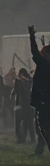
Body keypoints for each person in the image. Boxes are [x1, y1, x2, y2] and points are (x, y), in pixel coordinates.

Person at [28, 26, 50, 154]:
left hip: (43, 102)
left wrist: (32, 37)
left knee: (41, 127)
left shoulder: (43, 64)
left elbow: (34, 51)